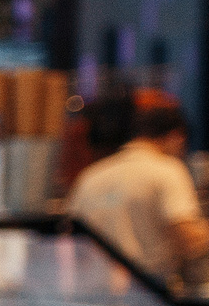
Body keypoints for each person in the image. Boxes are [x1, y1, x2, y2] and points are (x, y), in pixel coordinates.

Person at [69, 101, 208, 292]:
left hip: (92, 298)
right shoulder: (167, 170)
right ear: (176, 137)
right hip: (150, 295)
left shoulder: (90, 176)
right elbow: (188, 238)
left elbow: (69, 242)